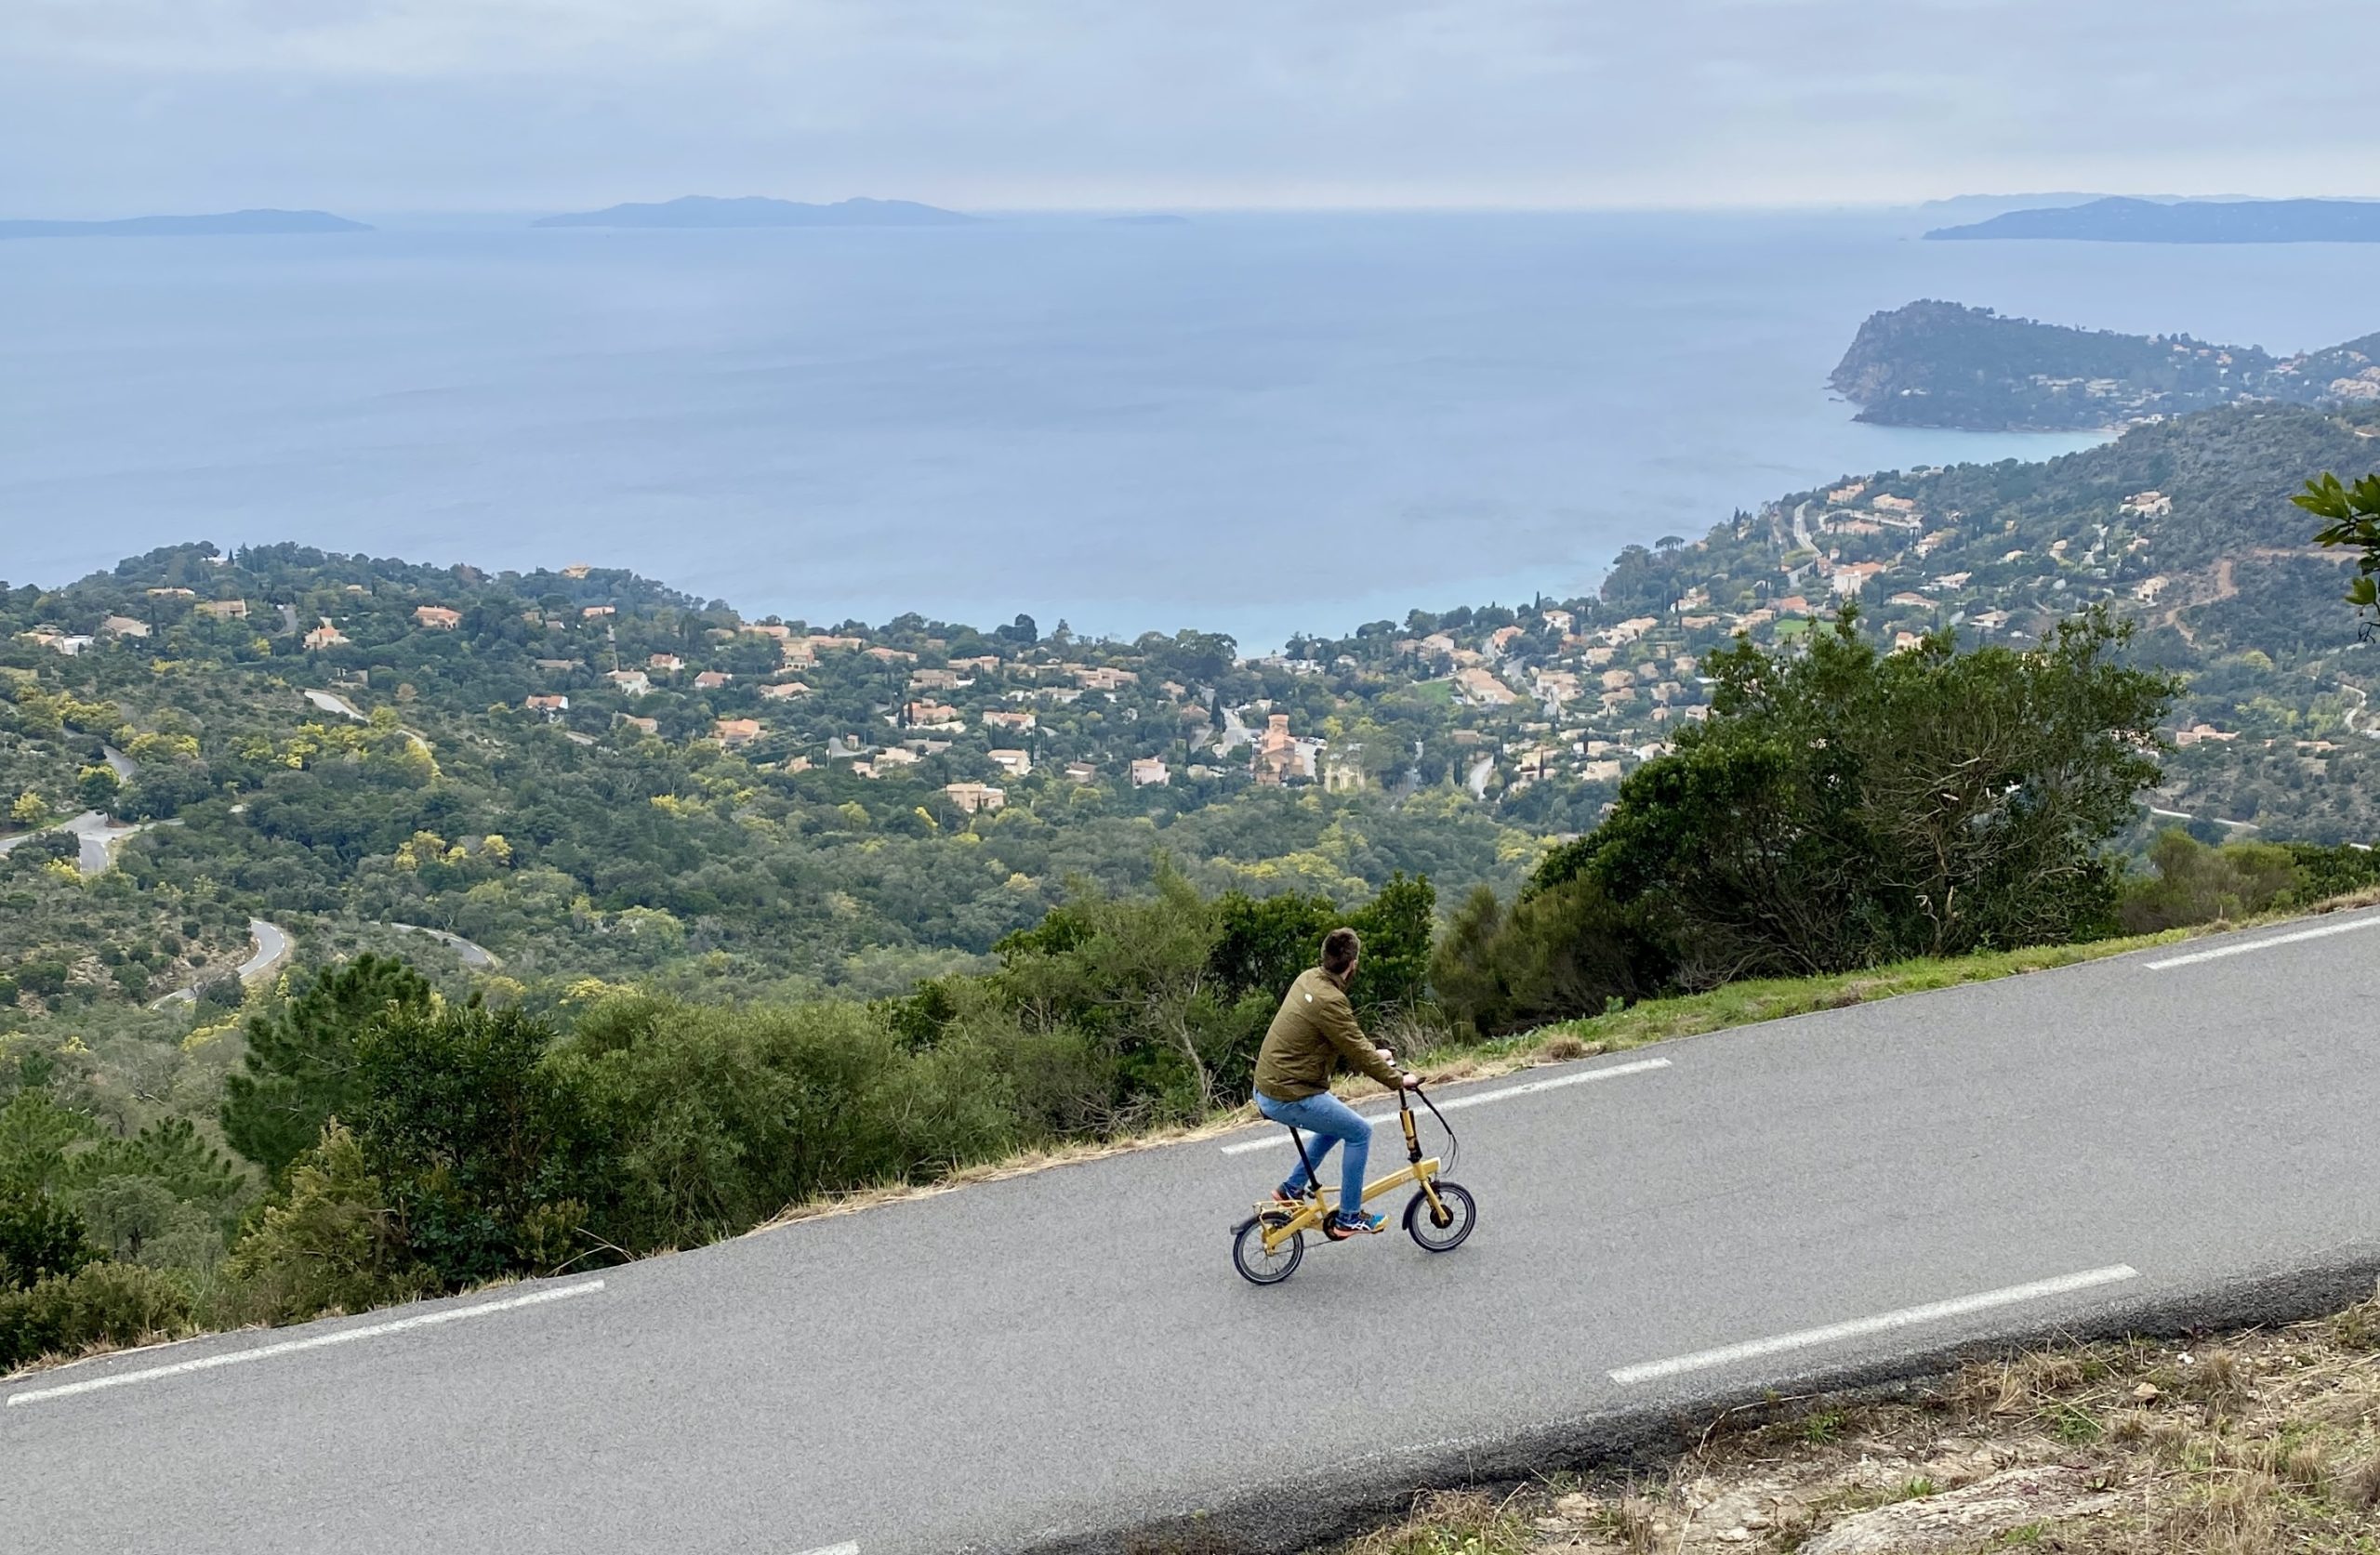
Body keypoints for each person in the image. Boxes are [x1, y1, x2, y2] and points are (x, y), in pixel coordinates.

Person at [1250, 926, 1421, 1239]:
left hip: (1270, 1086)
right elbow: (1354, 1047)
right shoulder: (1331, 1000)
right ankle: (1349, 1217)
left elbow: (1348, 1039)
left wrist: (1375, 1052)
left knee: (1335, 1124)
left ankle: (1290, 1188)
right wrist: (1399, 1080)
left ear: (1324, 957)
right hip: (1289, 1094)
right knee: (1359, 1131)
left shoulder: (1308, 979)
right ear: (1352, 964)